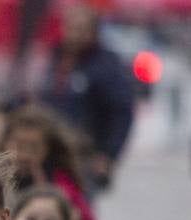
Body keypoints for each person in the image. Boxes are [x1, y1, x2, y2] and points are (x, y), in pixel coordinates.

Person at [40, 2, 134, 191]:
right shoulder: (55, 56)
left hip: (85, 155)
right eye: (71, 27)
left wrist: (108, 155)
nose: (74, 34)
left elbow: (121, 113)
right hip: (49, 152)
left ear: (93, 32)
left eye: (81, 28)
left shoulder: (106, 66)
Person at [3, 105, 97, 220]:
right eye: (19, 145)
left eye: (33, 147)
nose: (25, 154)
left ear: (47, 149)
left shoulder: (60, 180)